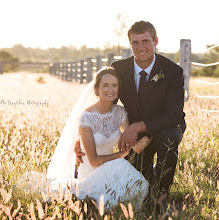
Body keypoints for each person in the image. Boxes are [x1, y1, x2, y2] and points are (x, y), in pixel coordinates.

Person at [76, 21, 186, 210]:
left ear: (155, 41)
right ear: (130, 44)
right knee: (136, 180)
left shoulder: (172, 71)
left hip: (165, 125)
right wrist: (86, 135)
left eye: (145, 41)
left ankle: (161, 197)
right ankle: (147, 189)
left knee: (167, 138)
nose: (140, 47)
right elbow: (109, 102)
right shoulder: (120, 68)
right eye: (135, 42)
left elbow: (174, 113)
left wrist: (138, 127)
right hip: (132, 129)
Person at [18, 67, 150, 211]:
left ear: (119, 89)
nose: (110, 89)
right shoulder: (86, 117)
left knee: (140, 185)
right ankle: (85, 199)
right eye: (105, 85)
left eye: (114, 85)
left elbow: (133, 144)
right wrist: (120, 155)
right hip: (91, 170)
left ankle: (108, 206)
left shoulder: (120, 113)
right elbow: (93, 160)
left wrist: (153, 131)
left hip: (111, 167)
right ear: (97, 89)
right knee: (120, 166)